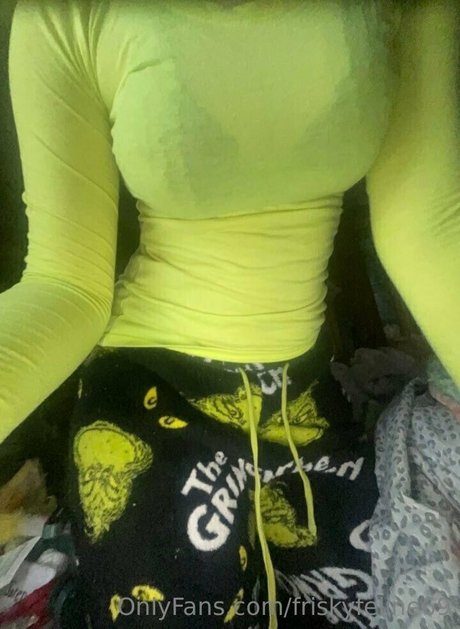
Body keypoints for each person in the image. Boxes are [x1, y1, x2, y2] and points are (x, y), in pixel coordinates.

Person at [2, 0, 459, 627]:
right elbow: (65, 284)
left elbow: (428, 232)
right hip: (150, 386)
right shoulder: (68, 12)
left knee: (382, 600)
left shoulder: (409, 8)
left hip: (300, 395)